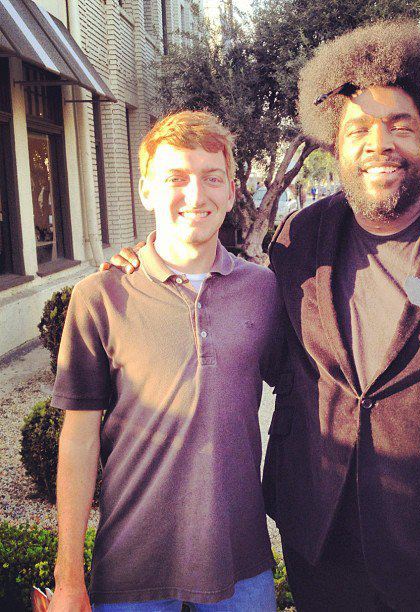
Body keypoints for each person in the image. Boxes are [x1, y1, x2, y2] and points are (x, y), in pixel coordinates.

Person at [108, 21, 420, 611]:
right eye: (359, 128)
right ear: (335, 144)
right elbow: (263, 347)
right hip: (327, 550)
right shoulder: (300, 238)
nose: (380, 143)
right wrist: (141, 265)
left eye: (399, 125)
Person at [49, 111, 281, 611]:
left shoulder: (264, 291)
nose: (196, 196)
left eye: (211, 178)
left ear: (232, 190)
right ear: (147, 190)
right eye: (176, 178)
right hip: (132, 570)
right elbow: (78, 438)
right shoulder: (101, 296)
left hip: (242, 568)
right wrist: (68, 577)